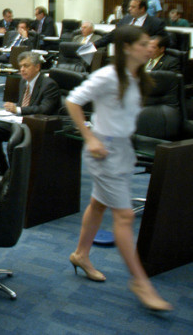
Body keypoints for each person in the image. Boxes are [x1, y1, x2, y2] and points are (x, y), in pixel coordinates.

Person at [65, 25, 172, 312]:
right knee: (124, 216)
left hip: (122, 148)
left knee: (98, 204)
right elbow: (73, 101)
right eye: (143, 43)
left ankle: (81, 254)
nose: (150, 47)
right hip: (103, 150)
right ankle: (140, 282)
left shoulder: (138, 76)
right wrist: (89, 137)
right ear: (126, 47)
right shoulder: (108, 75)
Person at [0, 52, 60, 174]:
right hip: (21, 121)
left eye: (26, 66)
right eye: (21, 66)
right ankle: (2, 168)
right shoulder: (23, 82)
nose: (22, 69)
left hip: (38, 125)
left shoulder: (49, 84)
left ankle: (16, 172)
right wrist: (11, 110)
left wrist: (18, 110)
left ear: (37, 67)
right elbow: (22, 104)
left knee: (15, 138)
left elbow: (45, 109)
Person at [94, 0, 165, 48]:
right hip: (123, 56)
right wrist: (94, 45)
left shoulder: (156, 23)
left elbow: (160, 44)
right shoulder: (126, 19)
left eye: (133, 7)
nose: (129, 9)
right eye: (129, 6)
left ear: (142, 9)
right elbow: (113, 34)